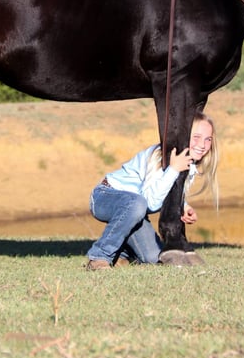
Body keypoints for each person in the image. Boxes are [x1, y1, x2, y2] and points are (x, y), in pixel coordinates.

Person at [85, 111, 219, 270]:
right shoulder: (160, 156)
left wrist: (183, 206)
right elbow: (151, 203)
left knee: (153, 257)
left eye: (208, 139)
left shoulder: (188, 163)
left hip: (135, 209)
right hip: (105, 196)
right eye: (196, 137)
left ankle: (122, 254)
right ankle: (99, 256)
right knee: (137, 204)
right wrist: (174, 169)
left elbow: (165, 190)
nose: (202, 145)